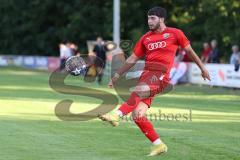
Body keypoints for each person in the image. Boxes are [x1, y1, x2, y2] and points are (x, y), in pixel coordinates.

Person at [99, 6, 210, 156]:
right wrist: (117, 75)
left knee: (138, 92)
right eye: (148, 18)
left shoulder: (175, 33)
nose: (149, 21)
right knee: (137, 115)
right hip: (147, 77)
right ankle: (159, 145)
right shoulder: (146, 38)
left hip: (161, 76)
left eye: (153, 18)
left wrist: (202, 68)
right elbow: (132, 59)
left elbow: (190, 51)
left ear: (162, 19)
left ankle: (116, 115)